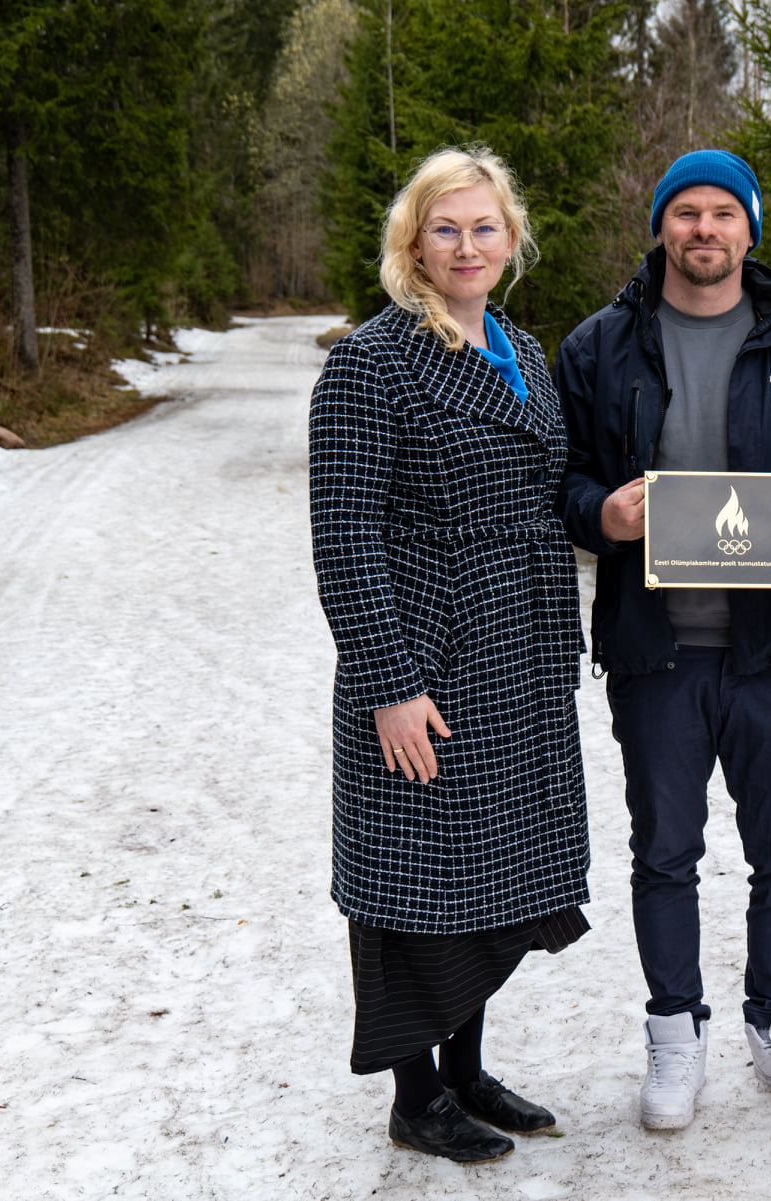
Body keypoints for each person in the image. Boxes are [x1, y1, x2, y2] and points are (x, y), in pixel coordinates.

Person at [556, 150, 771, 1129]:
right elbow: (562, 481)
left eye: (722, 214)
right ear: (663, 226)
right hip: (655, 652)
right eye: (686, 214)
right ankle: (673, 1035)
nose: (705, 230)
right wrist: (600, 515)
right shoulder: (601, 346)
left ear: (750, 228)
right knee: (665, 851)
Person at [308, 145, 591, 1164]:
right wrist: (388, 684)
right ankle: (414, 1093)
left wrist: (616, 512)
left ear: (511, 239)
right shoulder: (370, 363)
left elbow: (541, 485)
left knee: (493, 873)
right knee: (418, 874)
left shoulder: (522, 346)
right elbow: (343, 536)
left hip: (517, 653)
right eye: (445, 228)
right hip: (426, 657)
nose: (467, 245)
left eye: (484, 227)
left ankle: (466, 1070)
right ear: (412, 245)